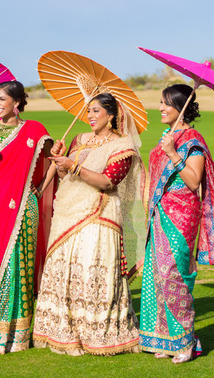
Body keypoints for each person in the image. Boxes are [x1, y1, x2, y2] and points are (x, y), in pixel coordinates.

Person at [32, 93, 147, 356]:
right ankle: (62, 331)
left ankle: (96, 334)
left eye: (96, 111)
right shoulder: (79, 139)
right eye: (89, 111)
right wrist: (60, 160)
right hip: (68, 213)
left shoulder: (122, 146)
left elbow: (108, 182)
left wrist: (73, 166)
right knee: (66, 270)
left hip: (100, 214)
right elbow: (64, 176)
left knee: (89, 269)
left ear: (111, 114)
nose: (91, 116)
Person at [139, 84, 214, 363]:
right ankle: (166, 339)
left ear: (181, 106)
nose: (160, 107)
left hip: (181, 215)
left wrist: (172, 152)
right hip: (160, 213)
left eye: (166, 103)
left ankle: (188, 343)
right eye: (160, 102)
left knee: (175, 274)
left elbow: (194, 181)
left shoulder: (192, 138)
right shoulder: (167, 136)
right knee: (156, 275)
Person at [0, 81, 55, 354]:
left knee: (21, 262)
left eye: (1, 99)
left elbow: (54, 161)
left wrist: (40, 189)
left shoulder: (35, 130)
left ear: (17, 103)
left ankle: (20, 331)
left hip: (25, 204)